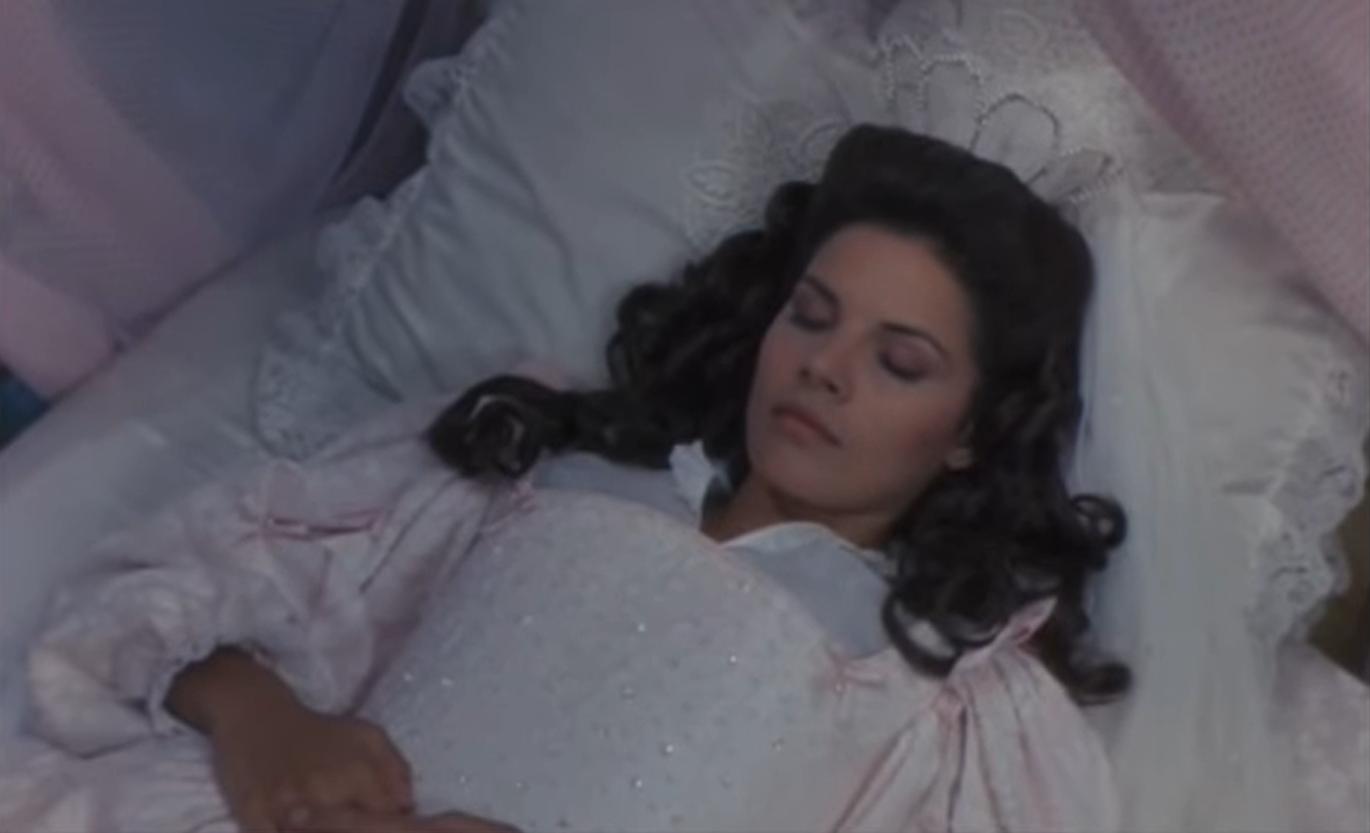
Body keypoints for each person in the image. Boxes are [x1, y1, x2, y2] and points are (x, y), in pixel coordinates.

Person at [0, 125, 1128, 833]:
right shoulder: (535, 462)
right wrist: (265, 720)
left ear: (970, 432)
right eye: (811, 315)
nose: (823, 369)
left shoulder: (942, 692)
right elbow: (171, 587)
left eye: (898, 362)